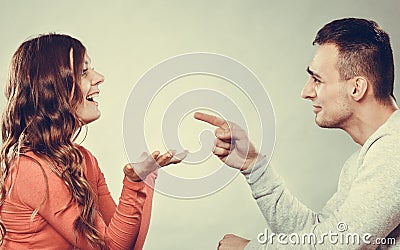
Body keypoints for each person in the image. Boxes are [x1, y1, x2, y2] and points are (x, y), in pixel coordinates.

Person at [195, 17, 400, 249]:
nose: (306, 92)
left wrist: (248, 249)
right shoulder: (368, 157)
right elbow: (321, 234)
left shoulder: (394, 150)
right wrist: (255, 167)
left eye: (317, 79)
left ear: (356, 88)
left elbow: (340, 244)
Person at [0, 34, 186, 249]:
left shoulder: (84, 159)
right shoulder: (30, 168)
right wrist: (134, 184)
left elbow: (125, 245)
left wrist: (144, 179)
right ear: (51, 89)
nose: (99, 77)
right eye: (83, 72)